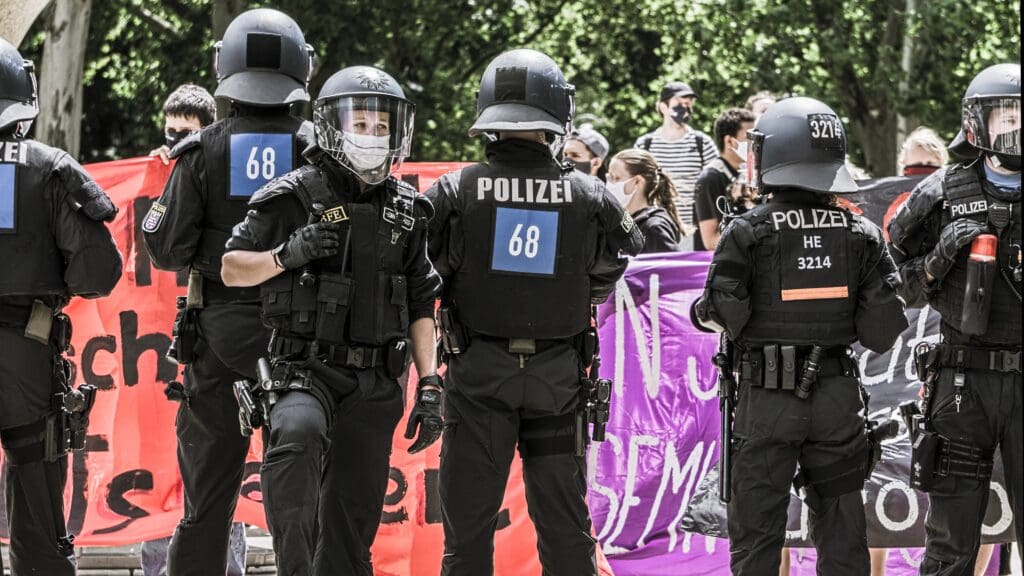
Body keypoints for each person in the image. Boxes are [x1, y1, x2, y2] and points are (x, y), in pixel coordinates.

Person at [426, 48, 644, 575]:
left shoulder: (454, 190)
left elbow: (424, 273)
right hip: (557, 382)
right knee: (566, 535)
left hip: (477, 380)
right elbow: (617, 261)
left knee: (468, 538)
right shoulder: (590, 193)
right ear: (555, 116)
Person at [220, 64, 441, 575]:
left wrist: (430, 384)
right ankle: (290, 567)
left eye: (381, 127)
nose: (371, 136)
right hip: (304, 370)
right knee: (296, 435)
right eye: (360, 125)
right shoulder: (291, 195)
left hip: (374, 381)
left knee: (349, 531)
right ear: (333, 127)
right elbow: (231, 269)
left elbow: (422, 304)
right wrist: (285, 254)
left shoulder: (408, 211)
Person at [692, 96, 908, 575]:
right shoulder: (863, 232)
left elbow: (722, 312)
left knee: (757, 533)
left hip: (766, 399)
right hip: (836, 398)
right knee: (842, 528)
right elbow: (883, 329)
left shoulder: (747, 231)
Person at [141, 9, 315, 576]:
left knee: (206, 506)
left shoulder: (201, 152)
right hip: (309, 343)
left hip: (217, 342)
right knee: (306, 504)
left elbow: (165, 249)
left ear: (225, 68)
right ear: (301, 67)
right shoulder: (320, 150)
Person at [887, 62, 1021, 575]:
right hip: (962, 383)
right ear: (977, 123)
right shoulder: (941, 191)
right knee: (949, 540)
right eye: (1006, 115)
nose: (1016, 127)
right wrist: (940, 257)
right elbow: (895, 286)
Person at [0, 37, 122, 575]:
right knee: (37, 511)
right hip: (26, 356)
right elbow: (100, 272)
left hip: (27, 353)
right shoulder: (49, 168)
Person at [139, 79, 248, 576]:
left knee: (221, 471)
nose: (175, 139)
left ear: (208, 130)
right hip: (153, 352)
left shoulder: (212, 165)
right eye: (169, 131)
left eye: (187, 131)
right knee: (170, 466)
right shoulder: (166, 172)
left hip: (214, 339)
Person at [635, 81, 718, 249]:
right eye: (679, 103)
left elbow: (716, 183)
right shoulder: (645, 145)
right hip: (657, 229)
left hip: (694, 231)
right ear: (663, 107)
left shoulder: (702, 143)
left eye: (688, 104)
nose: (685, 108)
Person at [694, 107, 757, 250]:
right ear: (729, 141)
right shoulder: (710, 179)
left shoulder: (747, 174)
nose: (756, 143)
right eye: (750, 137)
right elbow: (711, 242)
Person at [606, 148, 682, 253]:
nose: (611, 184)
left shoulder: (653, 228)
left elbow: (674, 267)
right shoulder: (626, 221)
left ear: (637, 181)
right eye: (610, 177)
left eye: (617, 178)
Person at [148, 84, 216, 165]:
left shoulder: (224, 165)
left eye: (187, 131)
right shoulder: (164, 162)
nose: (176, 137)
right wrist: (152, 167)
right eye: (171, 130)